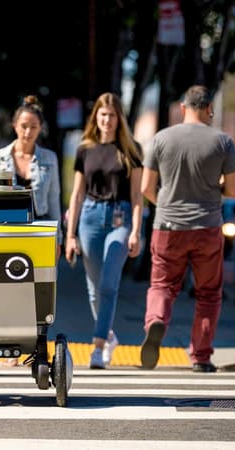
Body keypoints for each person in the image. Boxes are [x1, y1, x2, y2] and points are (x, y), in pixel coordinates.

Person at [139, 85, 235, 373]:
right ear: (208, 108)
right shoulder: (223, 141)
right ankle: (200, 356)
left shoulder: (161, 139)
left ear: (183, 108)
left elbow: (146, 188)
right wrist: (212, 187)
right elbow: (234, 189)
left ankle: (157, 320)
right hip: (207, 227)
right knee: (208, 293)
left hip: (168, 226)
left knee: (162, 285)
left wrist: (167, 203)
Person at [64, 92, 143, 369]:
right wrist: (70, 235)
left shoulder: (132, 151)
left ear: (119, 118)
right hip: (89, 218)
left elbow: (137, 196)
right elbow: (76, 194)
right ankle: (108, 334)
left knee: (109, 285)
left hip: (120, 221)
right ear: (95, 117)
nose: (107, 119)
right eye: (102, 114)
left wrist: (136, 232)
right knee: (95, 291)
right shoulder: (85, 148)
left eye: (112, 115)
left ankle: (97, 348)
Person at [0, 95, 62, 255]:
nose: (28, 132)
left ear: (40, 128)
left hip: (41, 227)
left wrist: (58, 239)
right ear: (14, 125)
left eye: (33, 127)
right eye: (24, 126)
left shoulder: (49, 158)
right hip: (5, 228)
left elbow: (53, 200)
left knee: (42, 278)